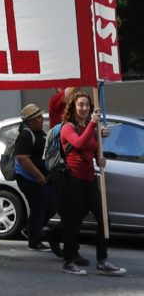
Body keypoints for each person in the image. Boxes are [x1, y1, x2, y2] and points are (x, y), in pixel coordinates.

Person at [58, 92, 126, 276]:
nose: (84, 108)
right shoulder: (67, 127)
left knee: (105, 220)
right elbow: (79, 144)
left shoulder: (91, 128)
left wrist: (100, 158)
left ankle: (102, 260)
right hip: (74, 179)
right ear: (74, 106)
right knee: (74, 222)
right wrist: (92, 126)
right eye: (80, 105)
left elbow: (93, 150)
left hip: (89, 179)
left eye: (87, 105)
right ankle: (68, 261)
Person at [12, 103, 54, 252]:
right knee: (39, 207)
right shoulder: (26, 135)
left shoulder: (40, 133)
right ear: (30, 121)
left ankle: (30, 229)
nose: (42, 119)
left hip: (42, 177)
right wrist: (39, 176)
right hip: (29, 179)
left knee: (50, 204)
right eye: (38, 117)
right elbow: (23, 158)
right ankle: (34, 241)